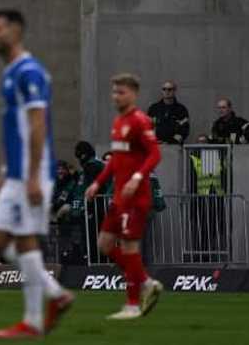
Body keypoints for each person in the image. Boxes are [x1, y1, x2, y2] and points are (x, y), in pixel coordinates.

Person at [0, 9, 74, 339]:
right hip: (17, 173)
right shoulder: (10, 72)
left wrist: (34, 175)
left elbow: (38, 124)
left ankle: (34, 319)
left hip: (32, 173)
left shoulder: (30, 72)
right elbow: (13, 128)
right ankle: (55, 294)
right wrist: (6, 168)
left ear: (16, 30)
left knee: (24, 240)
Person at [84, 73, 163, 321]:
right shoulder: (119, 122)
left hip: (136, 198)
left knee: (129, 248)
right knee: (104, 245)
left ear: (134, 94)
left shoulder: (140, 121)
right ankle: (146, 282)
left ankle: (131, 304)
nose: (116, 96)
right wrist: (97, 182)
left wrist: (137, 178)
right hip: (118, 198)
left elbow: (154, 155)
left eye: (121, 92)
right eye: (114, 92)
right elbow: (116, 160)